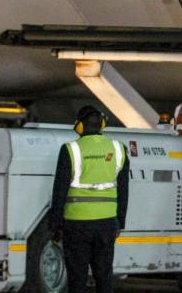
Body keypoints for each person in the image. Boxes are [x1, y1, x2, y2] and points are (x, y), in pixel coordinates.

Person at [48, 105, 129, 293]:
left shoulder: (70, 150)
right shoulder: (119, 149)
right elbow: (124, 190)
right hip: (107, 224)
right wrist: (120, 222)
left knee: (77, 278)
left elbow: (59, 191)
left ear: (80, 126)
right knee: (104, 276)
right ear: (102, 125)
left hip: (76, 225)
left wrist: (55, 225)